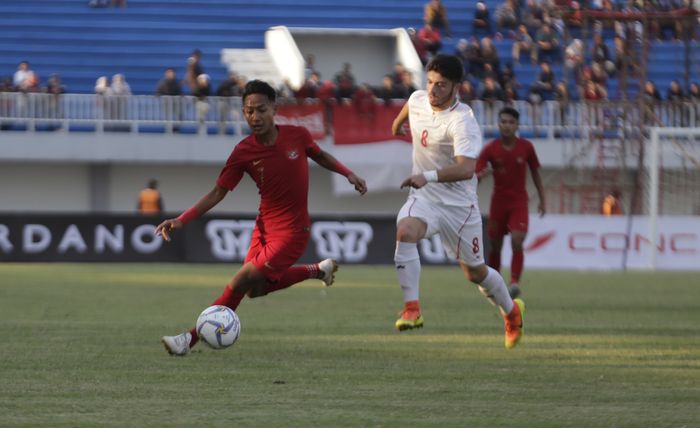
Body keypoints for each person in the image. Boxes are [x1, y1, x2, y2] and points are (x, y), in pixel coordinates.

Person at [157, 80, 367, 356]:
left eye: (261, 110)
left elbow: (320, 155)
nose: (255, 117)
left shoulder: (298, 136)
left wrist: (347, 172)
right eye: (248, 111)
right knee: (253, 291)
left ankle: (188, 339)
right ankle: (318, 270)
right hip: (264, 229)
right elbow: (218, 192)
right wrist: (182, 219)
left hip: (293, 232)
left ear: (274, 109)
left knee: (241, 279)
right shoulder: (244, 152)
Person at [390, 54, 524, 349]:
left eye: (441, 86)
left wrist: (428, 175)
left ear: (456, 87)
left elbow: (466, 169)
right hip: (424, 198)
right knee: (405, 233)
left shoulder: (463, 122)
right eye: (430, 83)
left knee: (474, 272)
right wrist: (397, 126)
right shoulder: (418, 99)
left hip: (459, 208)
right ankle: (412, 308)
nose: (433, 91)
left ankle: (511, 313)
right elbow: (406, 111)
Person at [476, 107, 545, 299]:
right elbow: (475, 176)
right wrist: (482, 173)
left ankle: (514, 282)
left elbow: (536, 173)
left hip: (518, 202)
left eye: (510, 122)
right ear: (498, 124)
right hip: (498, 202)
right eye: (503, 122)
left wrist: (542, 199)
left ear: (516, 125)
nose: (507, 125)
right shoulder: (490, 149)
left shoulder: (526, 147)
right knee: (495, 245)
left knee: (517, 240)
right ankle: (494, 284)